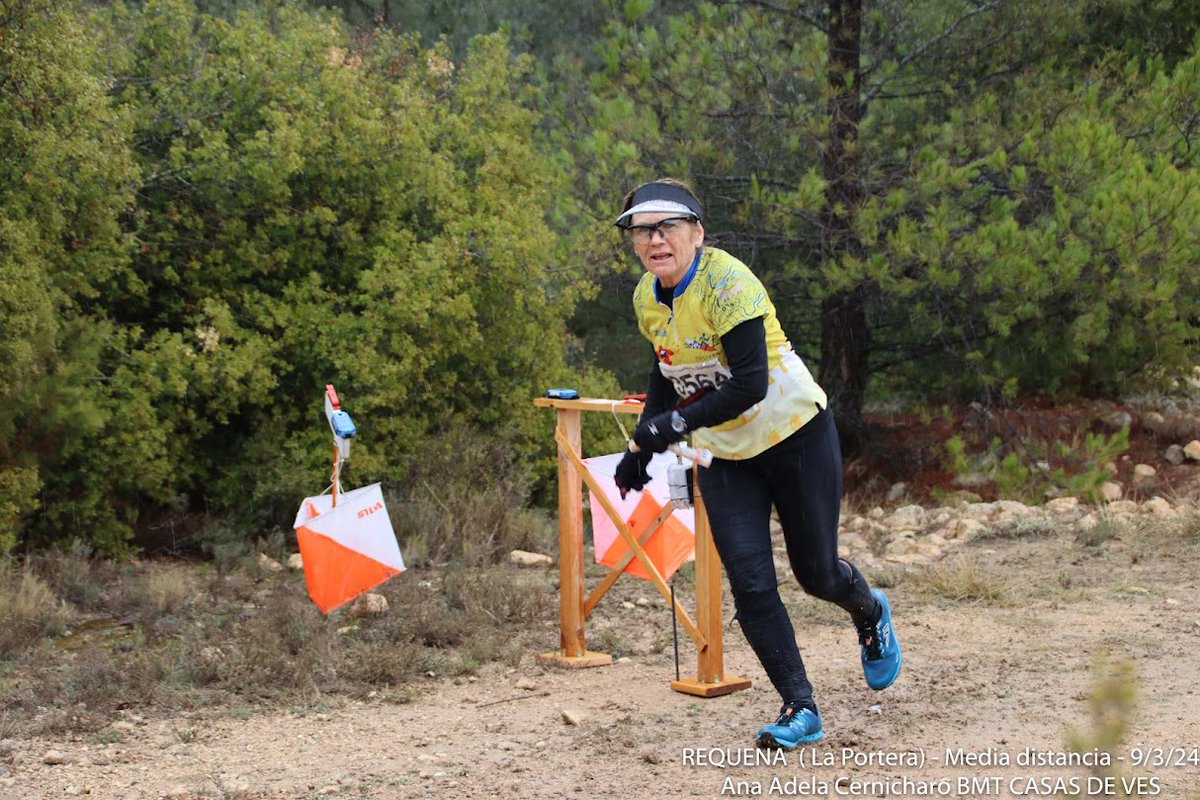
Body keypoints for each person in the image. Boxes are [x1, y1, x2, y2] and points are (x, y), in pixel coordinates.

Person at [611, 178, 901, 749]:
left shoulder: (729, 284)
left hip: (793, 434)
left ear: (697, 232)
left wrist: (670, 427)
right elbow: (665, 372)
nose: (655, 240)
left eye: (668, 227)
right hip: (726, 454)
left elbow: (748, 384)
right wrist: (640, 447)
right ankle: (800, 707)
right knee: (749, 582)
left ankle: (869, 610)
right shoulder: (648, 295)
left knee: (816, 575)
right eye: (643, 231)